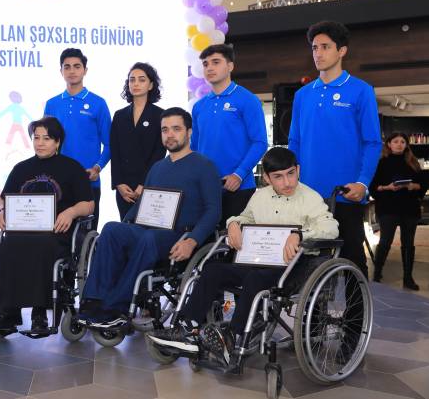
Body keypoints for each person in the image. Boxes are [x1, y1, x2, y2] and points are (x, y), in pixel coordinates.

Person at [148, 147, 339, 363]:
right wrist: (234, 224)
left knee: (256, 278)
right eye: (278, 177)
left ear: (298, 170)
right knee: (212, 270)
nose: (287, 182)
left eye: (291, 174)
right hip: (259, 260)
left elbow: (331, 228)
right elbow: (245, 217)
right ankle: (187, 329)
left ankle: (231, 336)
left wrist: (300, 234)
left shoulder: (310, 198)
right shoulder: (260, 197)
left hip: (293, 266)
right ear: (266, 178)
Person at [79, 107, 222, 326]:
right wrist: (126, 225)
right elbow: (144, 203)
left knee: (148, 238)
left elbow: (214, 211)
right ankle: (93, 302)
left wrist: (192, 241)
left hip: (179, 235)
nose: (170, 135)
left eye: (176, 129)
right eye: (165, 130)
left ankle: (117, 307)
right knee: (111, 229)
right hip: (151, 230)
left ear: (189, 132)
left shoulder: (205, 166)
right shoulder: (158, 168)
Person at [289, 20, 382, 278]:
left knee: (352, 262)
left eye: (325, 47)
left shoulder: (361, 91)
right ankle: (313, 309)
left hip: (346, 194)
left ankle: (356, 308)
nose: (318, 53)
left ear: (342, 51)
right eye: (314, 48)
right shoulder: (302, 95)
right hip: (307, 195)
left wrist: (362, 183)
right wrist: (291, 178)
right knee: (308, 265)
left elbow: (373, 142)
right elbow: (295, 142)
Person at [0, 117, 94, 333]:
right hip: (23, 231)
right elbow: (2, 200)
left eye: (46, 138)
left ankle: (39, 312)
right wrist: (0, 211)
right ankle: (9, 312)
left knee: (43, 245)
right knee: (7, 247)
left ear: (58, 142)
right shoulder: (21, 168)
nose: (40, 143)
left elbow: (89, 204)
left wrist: (71, 212)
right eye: (36, 138)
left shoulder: (72, 168)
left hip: (56, 232)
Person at [191, 44, 268, 226]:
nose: (209, 68)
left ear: (230, 66)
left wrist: (239, 174)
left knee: (235, 241)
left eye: (216, 62)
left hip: (239, 187)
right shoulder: (199, 106)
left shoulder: (247, 99)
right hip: (206, 188)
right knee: (206, 240)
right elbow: (194, 147)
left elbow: (259, 142)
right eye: (205, 64)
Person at [44, 48, 110, 226]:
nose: (72, 71)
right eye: (67, 67)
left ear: (85, 70)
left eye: (77, 66)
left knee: (87, 234)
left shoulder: (98, 103)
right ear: (61, 71)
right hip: (57, 181)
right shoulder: (52, 104)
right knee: (56, 231)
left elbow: (109, 144)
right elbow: (46, 142)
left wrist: (97, 168)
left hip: (88, 180)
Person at [370, 132, 427, 290]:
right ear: (389, 144)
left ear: (406, 145)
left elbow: (423, 184)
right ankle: (377, 274)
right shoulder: (381, 163)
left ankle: (408, 278)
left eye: (402, 141)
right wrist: (387, 187)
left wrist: (413, 186)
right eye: (396, 141)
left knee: (408, 244)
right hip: (388, 208)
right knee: (385, 241)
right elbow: (373, 187)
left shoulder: (413, 162)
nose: (399, 144)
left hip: (410, 208)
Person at [110, 62, 167, 220]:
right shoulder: (119, 115)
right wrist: (118, 184)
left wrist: (144, 184)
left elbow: (159, 153)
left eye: (141, 80)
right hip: (124, 188)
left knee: (146, 228)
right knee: (125, 227)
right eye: (132, 80)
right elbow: (115, 151)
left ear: (151, 85)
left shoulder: (160, 115)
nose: (135, 84)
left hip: (148, 185)